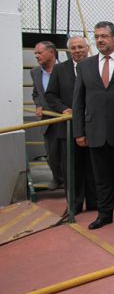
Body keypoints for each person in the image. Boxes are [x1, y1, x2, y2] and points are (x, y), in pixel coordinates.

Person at [72, 21, 114, 230]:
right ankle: (104, 214)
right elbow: (78, 102)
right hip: (95, 132)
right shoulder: (85, 66)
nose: (100, 40)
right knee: (101, 178)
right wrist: (79, 132)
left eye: (104, 36)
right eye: (97, 36)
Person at [45, 35, 97, 214]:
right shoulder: (60, 70)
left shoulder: (96, 66)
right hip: (67, 129)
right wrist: (64, 109)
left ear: (87, 48)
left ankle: (94, 203)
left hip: (91, 127)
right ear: (69, 51)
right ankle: (74, 205)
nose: (77, 51)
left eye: (80, 47)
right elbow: (50, 95)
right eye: (73, 48)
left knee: (92, 167)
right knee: (71, 169)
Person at [31, 40, 64, 190]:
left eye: (40, 52)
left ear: (51, 52)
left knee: (66, 153)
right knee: (51, 154)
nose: (37, 56)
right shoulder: (35, 72)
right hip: (47, 120)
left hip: (64, 118)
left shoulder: (66, 69)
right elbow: (36, 93)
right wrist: (38, 105)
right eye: (35, 53)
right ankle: (57, 178)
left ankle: (71, 181)